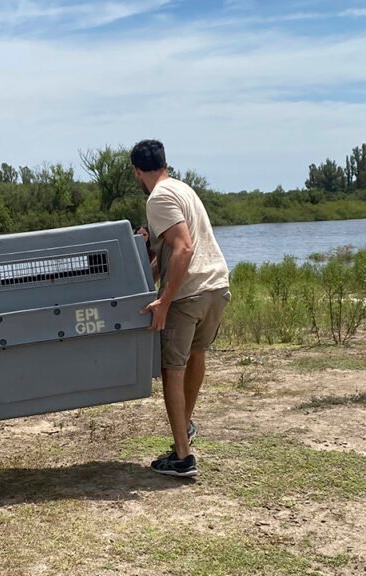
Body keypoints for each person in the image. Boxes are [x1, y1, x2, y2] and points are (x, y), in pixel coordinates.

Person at [132, 139, 230, 478]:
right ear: (164, 162)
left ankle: (183, 458)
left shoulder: (157, 198)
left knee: (172, 368)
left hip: (188, 294)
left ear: (137, 171)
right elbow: (172, 253)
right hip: (216, 286)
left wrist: (165, 300)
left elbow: (184, 249)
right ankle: (183, 430)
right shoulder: (183, 189)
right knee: (196, 355)